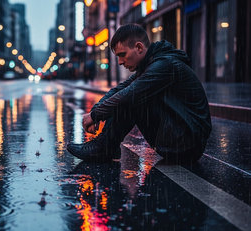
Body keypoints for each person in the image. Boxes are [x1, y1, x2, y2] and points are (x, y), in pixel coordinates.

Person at [67, 24, 211, 164]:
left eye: (122, 55)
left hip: (187, 144)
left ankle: (104, 148)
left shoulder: (165, 65)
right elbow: (119, 89)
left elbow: (128, 94)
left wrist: (94, 116)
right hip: (176, 138)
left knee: (131, 97)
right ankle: (105, 147)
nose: (120, 62)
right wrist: (95, 112)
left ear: (139, 47)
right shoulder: (150, 65)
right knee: (127, 94)